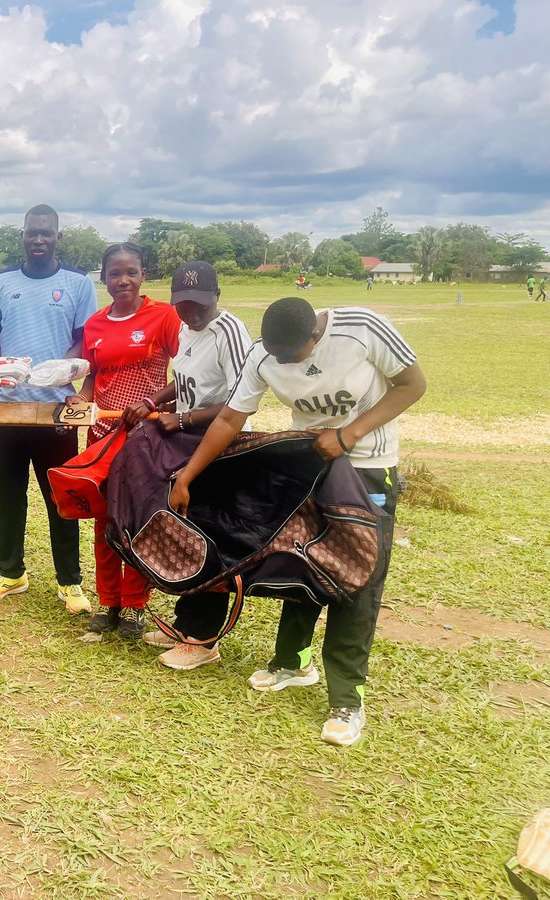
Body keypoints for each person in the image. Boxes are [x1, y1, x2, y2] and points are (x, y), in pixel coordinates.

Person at [168, 297, 426, 746]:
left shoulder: (361, 329)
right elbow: (231, 417)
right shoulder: (264, 352)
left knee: (356, 577)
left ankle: (347, 698)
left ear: (314, 336)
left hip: (368, 465)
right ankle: (292, 662)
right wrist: (188, 474)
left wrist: (349, 434)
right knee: (302, 563)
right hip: (309, 469)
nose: (283, 361)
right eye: (276, 354)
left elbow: (412, 384)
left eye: (292, 354)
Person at [126, 261, 252, 667]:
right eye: (183, 304)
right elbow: (184, 382)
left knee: (208, 536)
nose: (192, 312)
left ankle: (204, 640)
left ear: (218, 296)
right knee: (185, 531)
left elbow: (239, 402)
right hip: (185, 442)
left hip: (213, 444)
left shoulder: (229, 332)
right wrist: (154, 401)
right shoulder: (184, 327)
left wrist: (183, 418)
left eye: (200, 303)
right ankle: (186, 624)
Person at [0, 204, 99, 611]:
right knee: (8, 497)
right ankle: (12, 573)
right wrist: (0, 370)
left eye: (46, 233)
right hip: (7, 410)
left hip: (57, 412)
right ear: (23, 235)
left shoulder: (78, 284)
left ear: (57, 236)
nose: (39, 239)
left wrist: (60, 372)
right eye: (33, 233)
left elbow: (84, 341)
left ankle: (70, 582)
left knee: (61, 498)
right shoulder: (1, 281)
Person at [67, 243, 178, 639]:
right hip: (102, 437)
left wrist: (151, 402)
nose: (123, 280)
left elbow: (187, 374)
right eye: (115, 273)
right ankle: (107, 601)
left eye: (131, 272)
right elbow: (93, 377)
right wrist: (81, 399)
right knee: (104, 521)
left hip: (147, 439)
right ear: (104, 278)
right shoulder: (95, 324)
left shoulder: (164, 316)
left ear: (143, 274)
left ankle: (135, 606)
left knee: (141, 520)